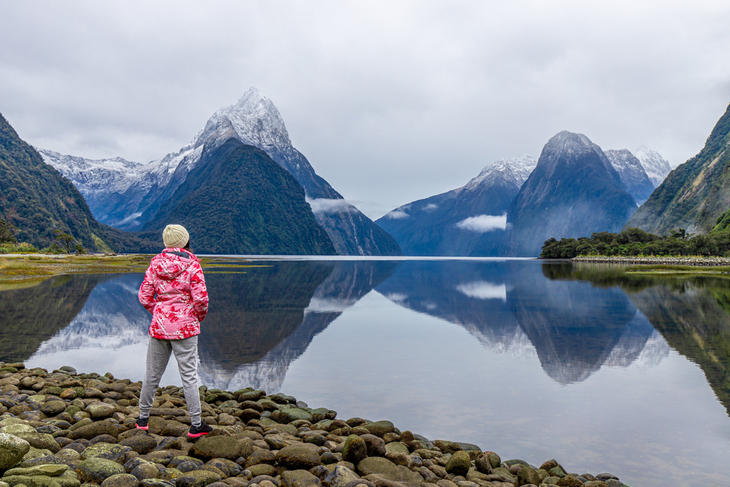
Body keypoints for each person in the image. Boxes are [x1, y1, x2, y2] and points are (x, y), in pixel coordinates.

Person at [136, 224, 212, 438]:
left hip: (159, 326)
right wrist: (196, 317)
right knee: (188, 376)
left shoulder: (154, 264)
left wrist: (158, 311)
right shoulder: (193, 265)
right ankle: (196, 425)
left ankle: (142, 419)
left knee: (151, 374)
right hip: (186, 328)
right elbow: (201, 299)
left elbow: (144, 296)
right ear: (185, 241)